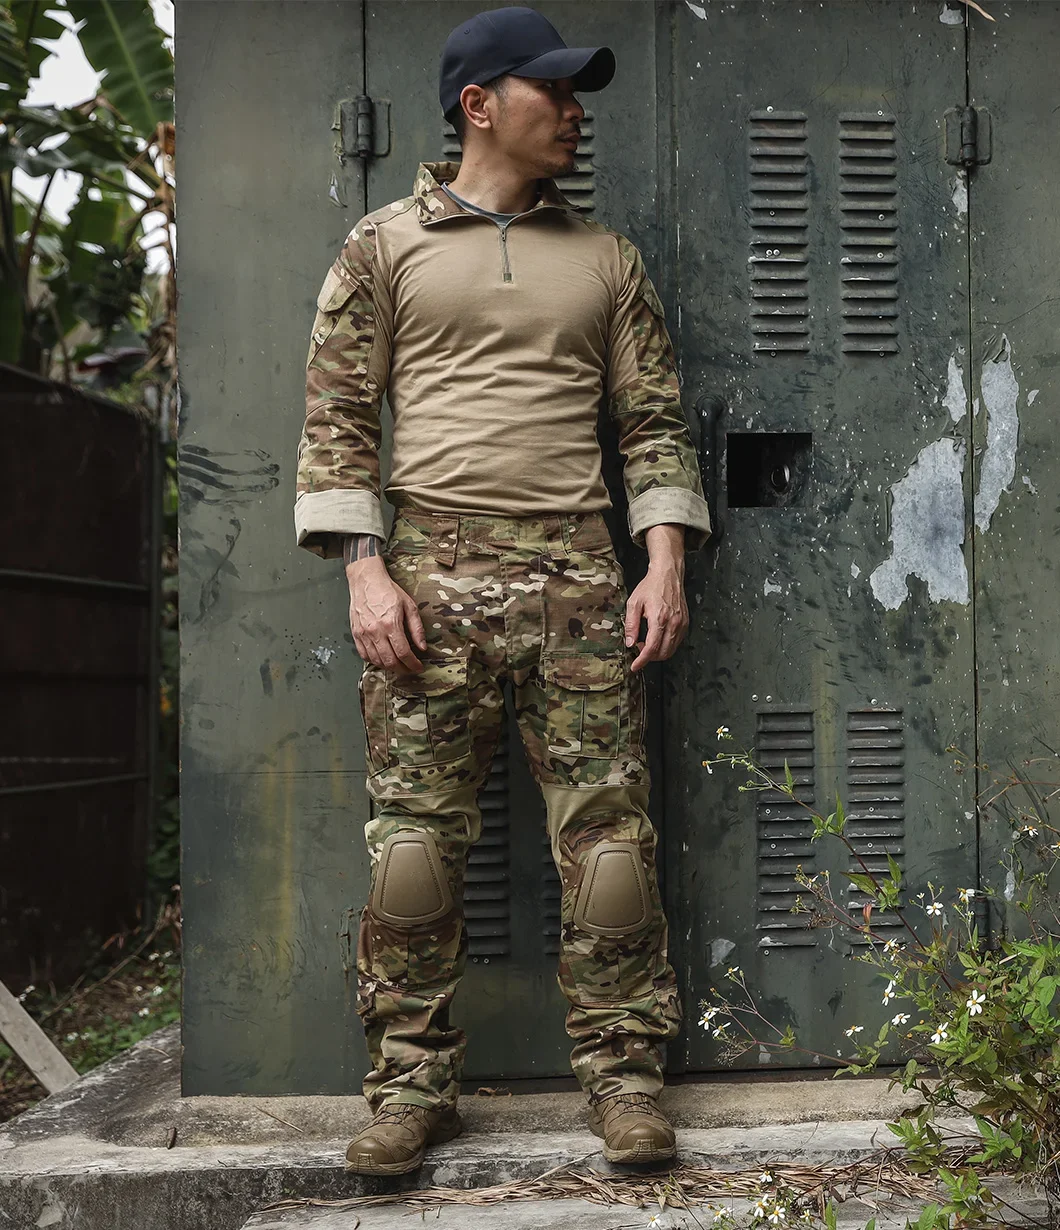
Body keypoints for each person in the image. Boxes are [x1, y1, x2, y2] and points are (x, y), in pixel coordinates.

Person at [294, 4, 712, 1177]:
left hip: (580, 576)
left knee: (609, 850)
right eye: (554, 92)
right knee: (413, 856)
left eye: (576, 95)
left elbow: (651, 420)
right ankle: (408, 1090)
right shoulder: (383, 245)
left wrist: (663, 560)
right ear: (478, 104)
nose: (575, 113)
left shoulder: (606, 259)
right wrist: (365, 573)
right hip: (429, 577)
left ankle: (625, 1082)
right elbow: (336, 419)